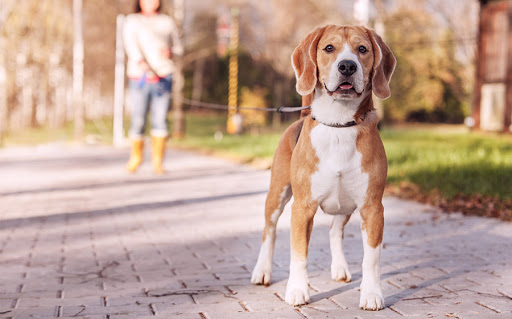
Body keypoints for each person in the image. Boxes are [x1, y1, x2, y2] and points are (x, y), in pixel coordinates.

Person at [123, 0, 182, 174]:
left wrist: (170, 51)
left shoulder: (167, 22)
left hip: (163, 76)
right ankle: (136, 158)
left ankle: (158, 162)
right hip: (139, 76)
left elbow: (179, 47)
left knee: (160, 118)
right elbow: (130, 46)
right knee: (139, 118)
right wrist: (143, 65)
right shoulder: (132, 20)